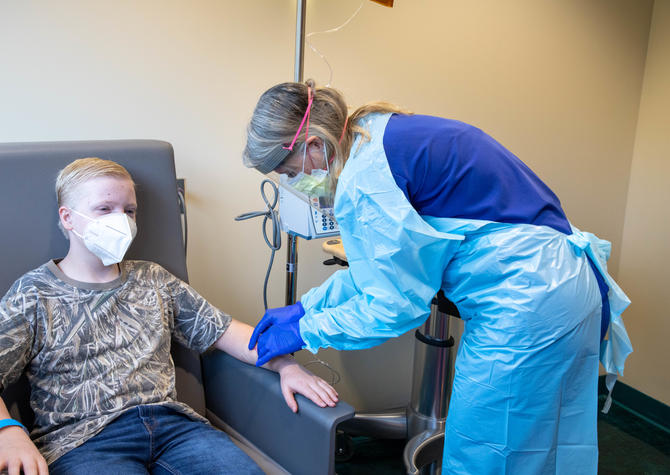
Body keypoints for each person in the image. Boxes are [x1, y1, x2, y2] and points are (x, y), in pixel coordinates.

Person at [242, 80, 632, 474]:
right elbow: (375, 276)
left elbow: (393, 306)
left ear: (312, 143)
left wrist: (306, 330)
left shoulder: (366, 180)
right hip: (561, 285)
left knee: (488, 452)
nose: (295, 184)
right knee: (545, 440)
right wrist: (305, 307)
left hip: (527, 303)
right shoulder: (374, 132)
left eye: (290, 172)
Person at [0, 157, 339, 475]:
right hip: (84, 441)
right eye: (104, 209)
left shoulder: (153, 279)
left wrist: (285, 365)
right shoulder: (34, 292)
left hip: (177, 429)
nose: (122, 220)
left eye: (129, 211)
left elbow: (229, 332)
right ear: (69, 218)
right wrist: (7, 435)